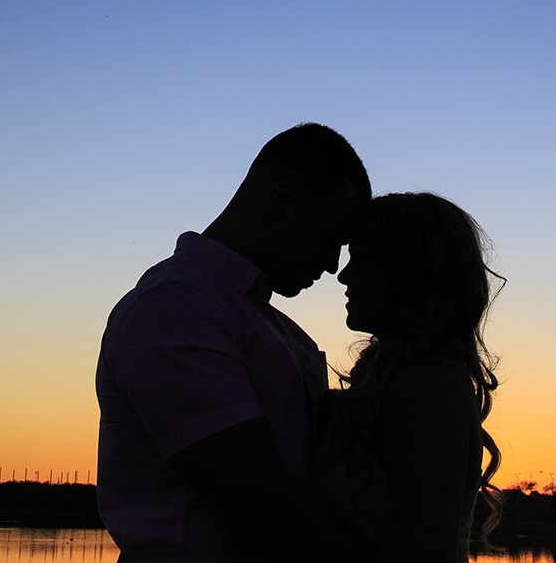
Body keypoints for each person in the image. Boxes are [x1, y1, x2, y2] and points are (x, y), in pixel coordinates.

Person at [96, 123, 376, 563]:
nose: (331, 266)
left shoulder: (275, 329)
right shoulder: (173, 307)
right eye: (329, 239)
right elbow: (254, 498)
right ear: (282, 202)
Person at [319, 192, 503, 563]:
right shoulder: (414, 379)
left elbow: (422, 553)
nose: (343, 274)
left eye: (361, 258)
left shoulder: (427, 386)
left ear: (404, 268)